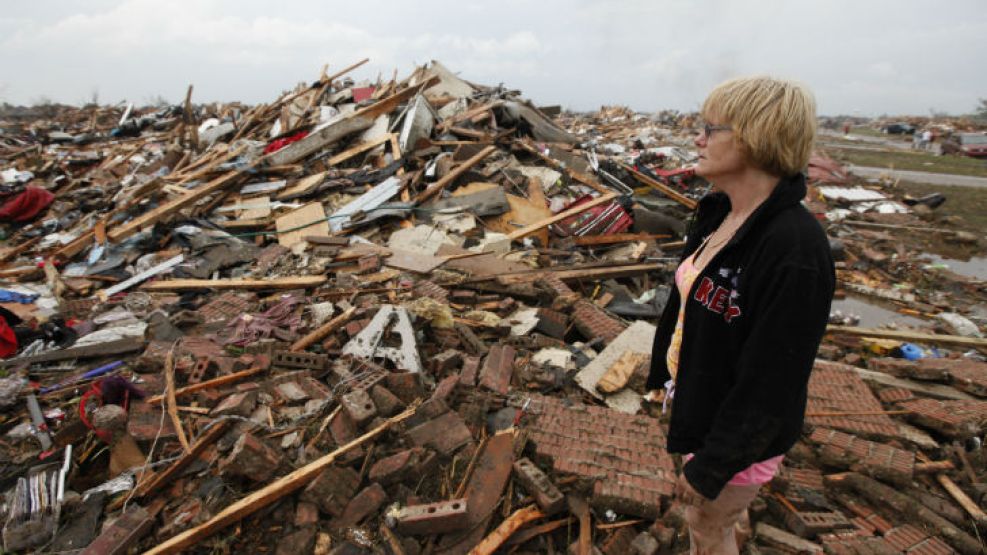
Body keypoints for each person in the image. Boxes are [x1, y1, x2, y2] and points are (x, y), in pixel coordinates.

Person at [645, 76, 835, 555]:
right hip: (705, 408)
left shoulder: (794, 249)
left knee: (707, 529)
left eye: (711, 129)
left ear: (754, 137)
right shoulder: (719, 212)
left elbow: (773, 381)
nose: (697, 139)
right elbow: (689, 305)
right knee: (719, 521)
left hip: (739, 438)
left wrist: (712, 466)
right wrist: (661, 375)